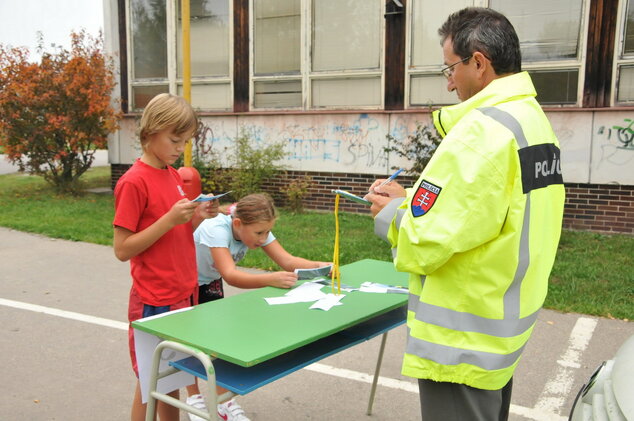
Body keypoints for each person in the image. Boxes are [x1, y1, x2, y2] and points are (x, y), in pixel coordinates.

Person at [365, 7, 565, 421]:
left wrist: (392, 213)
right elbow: (486, 211)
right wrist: (413, 198)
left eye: (450, 68)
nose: (449, 81)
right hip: (501, 323)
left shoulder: (481, 134)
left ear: (479, 62)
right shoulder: (531, 121)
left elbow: (426, 242)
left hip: (463, 339)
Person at [113, 93, 219, 421]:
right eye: (175, 139)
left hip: (182, 292)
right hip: (154, 298)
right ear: (150, 132)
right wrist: (170, 219)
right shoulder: (133, 182)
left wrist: (199, 215)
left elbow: (177, 233)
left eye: (185, 141)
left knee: (174, 379)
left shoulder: (173, 175)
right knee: (151, 384)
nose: (180, 148)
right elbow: (122, 248)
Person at [185, 193, 331, 421]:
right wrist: (269, 279)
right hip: (184, 285)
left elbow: (288, 261)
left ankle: (223, 402)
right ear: (237, 224)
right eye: (259, 233)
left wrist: (321, 266)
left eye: (266, 232)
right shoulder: (215, 229)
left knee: (218, 341)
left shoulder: (255, 228)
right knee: (188, 342)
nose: (263, 238)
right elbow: (231, 275)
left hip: (209, 283)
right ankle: (193, 399)